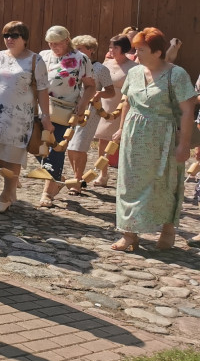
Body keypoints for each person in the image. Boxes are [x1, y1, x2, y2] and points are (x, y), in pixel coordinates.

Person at [111, 28, 195, 252]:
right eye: (135, 49)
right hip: (134, 135)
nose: (136, 55)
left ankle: (167, 230)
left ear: (158, 52)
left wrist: (184, 144)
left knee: (164, 184)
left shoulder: (176, 75)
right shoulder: (135, 73)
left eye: (141, 50)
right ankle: (129, 233)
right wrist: (120, 130)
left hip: (163, 137)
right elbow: (127, 102)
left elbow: (188, 110)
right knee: (129, 183)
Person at [0, 21, 53, 213]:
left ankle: (6, 195)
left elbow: (42, 90)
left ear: (24, 39)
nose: (9, 39)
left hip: (20, 117)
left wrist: (45, 116)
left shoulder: (35, 60)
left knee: (12, 156)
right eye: (6, 35)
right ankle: (11, 186)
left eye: (14, 35)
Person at [37, 26, 95, 207]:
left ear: (66, 41)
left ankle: (47, 192)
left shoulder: (80, 59)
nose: (53, 46)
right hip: (41, 108)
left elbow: (91, 86)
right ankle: (56, 177)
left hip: (64, 110)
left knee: (56, 149)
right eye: (50, 43)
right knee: (35, 146)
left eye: (57, 43)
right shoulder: (43, 55)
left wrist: (83, 104)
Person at [66, 35, 116, 194]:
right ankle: (77, 178)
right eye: (75, 49)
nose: (77, 52)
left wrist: (99, 94)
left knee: (79, 146)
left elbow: (110, 92)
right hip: (70, 108)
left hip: (90, 111)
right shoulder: (72, 65)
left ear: (91, 50)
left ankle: (77, 180)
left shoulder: (101, 69)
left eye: (80, 49)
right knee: (69, 146)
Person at [93, 34, 137, 187]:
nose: (111, 50)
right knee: (103, 141)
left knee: (125, 143)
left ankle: (128, 177)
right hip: (106, 106)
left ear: (124, 49)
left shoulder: (134, 67)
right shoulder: (107, 63)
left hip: (124, 106)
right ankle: (102, 174)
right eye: (110, 47)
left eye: (115, 47)